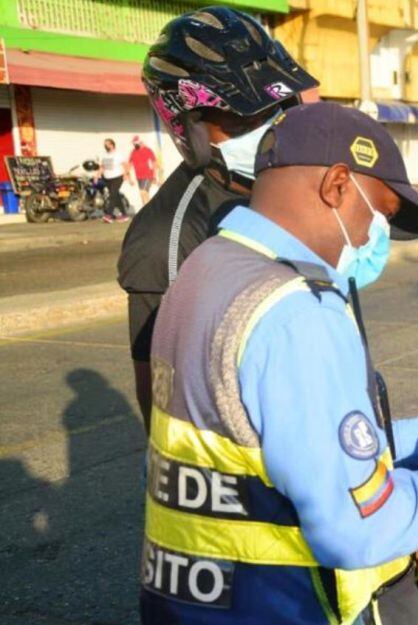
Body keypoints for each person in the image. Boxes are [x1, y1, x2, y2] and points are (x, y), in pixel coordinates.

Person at [140, 100, 418, 624]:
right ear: (336, 185)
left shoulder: (209, 267)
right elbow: (356, 528)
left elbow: (299, 445)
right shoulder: (297, 312)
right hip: (286, 607)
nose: (370, 236)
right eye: (379, 213)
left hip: (193, 601)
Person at [118, 6, 319, 431]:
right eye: (239, 119)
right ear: (189, 128)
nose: (266, 128)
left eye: (274, 109)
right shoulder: (165, 238)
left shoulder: (290, 185)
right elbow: (162, 400)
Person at [97, 138, 129, 223]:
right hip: (107, 178)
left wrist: (126, 174)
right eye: (105, 144)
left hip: (117, 177)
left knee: (112, 195)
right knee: (115, 196)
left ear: (112, 145)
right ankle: (124, 214)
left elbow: (125, 165)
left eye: (107, 144)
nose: (105, 146)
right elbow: (102, 167)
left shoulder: (118, 154)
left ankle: (109, 215)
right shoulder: (104, 155)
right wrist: (97, 175)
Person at [128, 136, 158, 204]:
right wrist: (129, 178)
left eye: (135, 143)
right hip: (139, 176)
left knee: (143, 192)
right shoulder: (133, 152)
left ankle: (149, 208)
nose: (134, 145)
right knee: (144, 194)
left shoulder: (148, 150)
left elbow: (154, 162)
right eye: (133, 143)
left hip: (148, 175)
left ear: (140, 142)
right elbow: (129, 164)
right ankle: (148, 207)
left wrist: (154, 176)